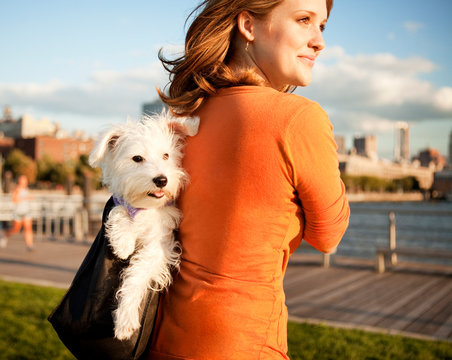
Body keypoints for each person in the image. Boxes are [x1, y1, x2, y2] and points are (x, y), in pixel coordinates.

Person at [147, 0, 349, 359]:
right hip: (245, 342)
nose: (319, 41)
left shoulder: (185, 116)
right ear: (248, 26)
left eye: (322, 26)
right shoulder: (299, 119)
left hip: (166, 334)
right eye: (304, 20)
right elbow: (328, 236)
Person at [0, 175, 35, 251]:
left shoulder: (26, 189)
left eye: (25, 181)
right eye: (23, 181)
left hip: (26, 211)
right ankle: (5, 236)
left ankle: (29, 245)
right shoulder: (17, 189)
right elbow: (14, 200)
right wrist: (26, 198)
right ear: (20, 182)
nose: (25, 183)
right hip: (18, 212)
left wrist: (30, 198)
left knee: (28, 229)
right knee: (16, 229)